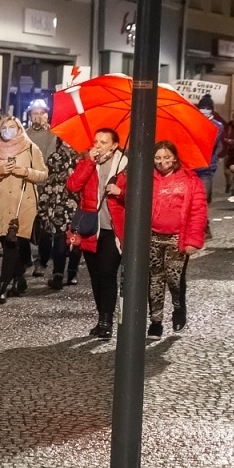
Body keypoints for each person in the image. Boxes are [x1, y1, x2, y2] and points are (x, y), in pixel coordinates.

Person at [118, 142, 206, 336]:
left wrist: (193, 240)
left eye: (166, 157)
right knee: (155, 278)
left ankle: (178, 308)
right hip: (153, 236)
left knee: (174, 279)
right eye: (157, 158)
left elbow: (198, 211)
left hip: (177, 237)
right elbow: (135, 198)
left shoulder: (190, 180)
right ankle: (156, 320)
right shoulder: (147, 178)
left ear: (175, 157)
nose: (162, 162)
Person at [67, 128, 128, 338]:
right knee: (95, 276)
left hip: (113, 228)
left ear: (114, 145)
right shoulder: (88, 162)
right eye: (96, 141)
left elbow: (140, 196)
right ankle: (101, 315)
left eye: (103, 142)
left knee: (107, 273)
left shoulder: (125, 166)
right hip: (91, 228)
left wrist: (121, 193)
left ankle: (106, 319)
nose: (98, 145)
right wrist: (88, 163)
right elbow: (73, 185)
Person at [0, 113, 48, 304]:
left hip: (23, 202)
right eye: (4, 127)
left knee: (12, 245)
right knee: (7, 241)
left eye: (12, 127)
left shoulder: (30, 148)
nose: (8, 131)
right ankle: (19, 275)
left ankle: (2, 286)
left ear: (19, 129)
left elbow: (43, 175)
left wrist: (26, 172)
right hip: (1, 201)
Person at [33, 133, 80, 290]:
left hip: (77, 204)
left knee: (75, 241)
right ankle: (58, 274)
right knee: (59, 240)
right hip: (58, 203)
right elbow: (48, 183)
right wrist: (43, 206)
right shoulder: (54, 158)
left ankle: (72, 271)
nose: (67, 142)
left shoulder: (82, 160)